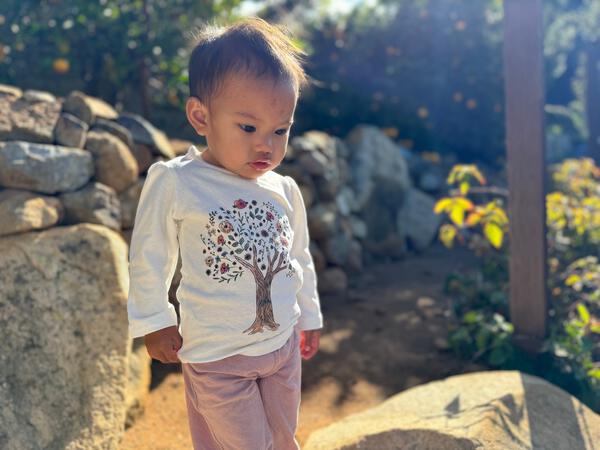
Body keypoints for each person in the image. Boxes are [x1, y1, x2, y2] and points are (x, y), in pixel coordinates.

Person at [126, 16, 323, 450]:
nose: (265, 146)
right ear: (201, 116)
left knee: (282, 436)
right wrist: (155, 320)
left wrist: (309, 315)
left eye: (280, 130)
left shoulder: (283, 188)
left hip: (282, 344)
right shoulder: (178, 181)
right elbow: (149, 255)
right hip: (217, 356)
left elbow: (299, 256)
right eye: (248, 128)